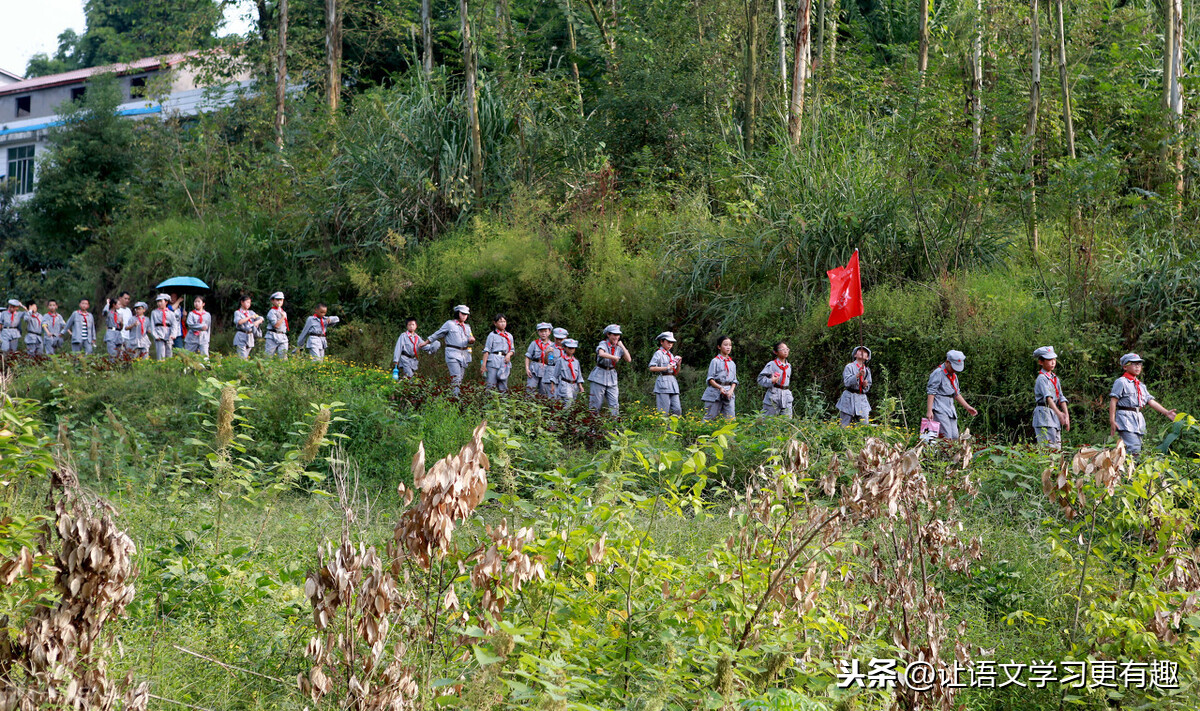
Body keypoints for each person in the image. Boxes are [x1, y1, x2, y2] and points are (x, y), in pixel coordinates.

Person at [1109, 353, 1176, 457]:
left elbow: (1150, 401)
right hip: (1125, 418)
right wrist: (1112, 420)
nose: (1137, 366)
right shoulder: (1121, 382)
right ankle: (1130, 470)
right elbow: (1113, 400)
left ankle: (1124, 469)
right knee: (1134, 448)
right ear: (1125, 366)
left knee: (1138, 447)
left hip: (1138, 419)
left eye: (1139, 364)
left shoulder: (1141, 385)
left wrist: (1166, 412)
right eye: (1133, 364)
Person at [925, 350, 978, 441]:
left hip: (950, 408)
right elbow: (931, 392)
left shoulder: (954, 376)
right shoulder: (938, 373)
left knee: (954, 436)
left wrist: (968, 407)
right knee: (946, 435)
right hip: (939, 407)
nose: (954, 370)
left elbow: (956, 394)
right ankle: (943, 454)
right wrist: (929, 410)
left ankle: (950, 454)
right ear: (947, 362)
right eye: (953, 367)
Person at [587, 324, 631, 416]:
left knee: (614, 405)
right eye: (614, 335)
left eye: (618, 335)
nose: (616, 337)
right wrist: (613, 357)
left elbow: (628, 359)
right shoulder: (603, 344)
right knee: (595, 404)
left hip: (611, 377)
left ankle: (614, 428)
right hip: (599, 375)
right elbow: (601, 353)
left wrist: (622, 346)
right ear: (608, 335)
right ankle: (592, 428)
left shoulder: (618, 346)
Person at [1032, 346, 1069, 450]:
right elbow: (1048, 398)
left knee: (1057, 449)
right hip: (1044, 415)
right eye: (1049, 360)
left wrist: (1066, 415)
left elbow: (1061, 397)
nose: (1053, 362)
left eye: (1054, 359)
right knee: (1048, 450)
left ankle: (1056, 467)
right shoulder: (1042, 379)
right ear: (1041, 362)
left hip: (1054, 416)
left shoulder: (1054, 378)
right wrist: (1059, 414)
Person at [701, 336, 737, 420]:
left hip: (728, 392)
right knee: (710, 416)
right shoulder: (715, 361)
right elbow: (710, 379)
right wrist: (720, 387)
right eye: (725, 345)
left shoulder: (732, 363)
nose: (728, 347)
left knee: (730, 418)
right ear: (719, 347)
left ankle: (728, 433)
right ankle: (702, 432)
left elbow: (734, 380)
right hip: (715, 391)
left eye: (730, 345)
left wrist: (731, 390)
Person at [836, 346, 873, 427]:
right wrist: (857, 375)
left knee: (864, 426)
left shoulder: (867, 370)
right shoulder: (849, 367)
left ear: (867, 358)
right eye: (860, 350)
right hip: (848, 398)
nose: (862, 352)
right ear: (855, 355)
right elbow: (847, 382)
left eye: (865, 352)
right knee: (845, 426)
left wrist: (865, 385)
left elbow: (868, 386)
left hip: (862, 399)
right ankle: (844, 439)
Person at [649, 331, 683, 416]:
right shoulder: (658, 353)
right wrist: (666, 368)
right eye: (668, 342)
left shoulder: (671, 355)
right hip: (663, 383)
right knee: (663, 411)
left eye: (672, 342)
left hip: (672, 383)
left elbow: (675, 373)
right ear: (662, 341)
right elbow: (651, 368)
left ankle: (672, 429)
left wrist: (678, 365)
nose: (670, 344)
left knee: (677, 409)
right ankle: (662, 428)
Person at [758, 342, 794, 418]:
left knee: (787, 420)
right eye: (782, 349)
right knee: (768, 419)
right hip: (773, 395)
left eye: (787, 349)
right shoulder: (771, 365)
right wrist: (771, 380)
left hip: (786, 395)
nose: (785, 351)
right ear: (775, 352)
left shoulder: (789, 366)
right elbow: (760, 379)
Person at [481, 314, 515, 391]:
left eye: (504, 321)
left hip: (504, 362)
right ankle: (488, 401)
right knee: (490, 385)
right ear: (495, 323)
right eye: (500, 321)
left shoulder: (509, 336)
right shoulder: (492, 335)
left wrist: (509, 355)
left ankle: (502, 402)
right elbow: (486, 350)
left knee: (503, 385)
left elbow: (512, 350)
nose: (503, 323)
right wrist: (483, 365)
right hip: (493, 361)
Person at [524, 323, 556, 396]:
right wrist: (527, 368)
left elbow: (551, 361)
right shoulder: (534, 343)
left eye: (545, 331)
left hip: (546, 370)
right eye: (541, 331)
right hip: (534, 369)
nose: (543, 333)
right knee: (530, 389)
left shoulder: (552, 345)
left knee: (544, 391)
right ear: (538, 332)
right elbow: (528, 356)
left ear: (549, 332)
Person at [233, 295, 264, 360]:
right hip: (241, 335)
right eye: (247, 302)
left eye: (249, 303)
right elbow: (239, 322)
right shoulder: (238, 312)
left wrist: (257, 322)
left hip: (250, 336)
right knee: (242, 357)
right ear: (242, 302)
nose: (248, 304)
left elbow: (261, 318)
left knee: (246, 357)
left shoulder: (251, 312)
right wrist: (249, 317)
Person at [555, 339, 584, 403]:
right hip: (565, 384)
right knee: (568, 402)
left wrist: (580, 386)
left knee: (572, 403)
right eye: (569, 348)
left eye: (573, 348)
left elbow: (579, 375)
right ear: (564, 348)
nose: (571, 350)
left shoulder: (576, 361)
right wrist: (552, 387)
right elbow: (555, 375)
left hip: (574, 385)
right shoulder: (560, 360)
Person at [103, 292, 131, 356]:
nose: (120, 305)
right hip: (111, 333)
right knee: (112, 353)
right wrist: (107, 304)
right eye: (118, 304)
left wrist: (121, 323)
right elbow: (105, 312)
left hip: (118, 334)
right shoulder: (109, 313)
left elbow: (121, 327)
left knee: (119, 354)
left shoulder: (118, 314)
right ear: (114, 305)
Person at [150, 294, 178, 360]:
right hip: (159, 333)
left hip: (168, 333)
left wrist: (173, 334)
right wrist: (156, 336)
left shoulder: (171, 313)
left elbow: (174, 325)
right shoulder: (154, 313)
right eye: (158, 302)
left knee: (169, 353)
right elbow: (152, 325)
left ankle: (169, 368)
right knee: (160, 354)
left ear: (166, 302)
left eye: (161, 301)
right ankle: (160, 367)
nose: (159, 303)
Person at [265, 292, 289, 359]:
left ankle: (283, 369)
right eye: (277, 300)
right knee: (268, 357)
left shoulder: (283, 311)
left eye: (281, 300)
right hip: (272, 336)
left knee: (283, 357)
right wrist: (283, 317)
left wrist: (283, 315)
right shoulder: (272, 312)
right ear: (273, 301)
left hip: (282, 336)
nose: (279, 302)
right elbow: (276, 325)